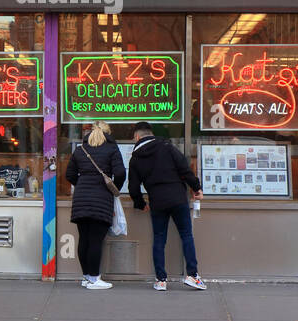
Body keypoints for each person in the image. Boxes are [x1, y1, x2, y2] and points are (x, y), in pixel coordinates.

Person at [128, 121, 206, 291]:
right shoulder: (167, 147)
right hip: (178, 197)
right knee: (186, 235)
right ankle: (192, 275)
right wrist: (196, 188)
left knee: (159, 238)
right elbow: (184, 170)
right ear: (151, 134)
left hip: (157, 201)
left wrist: (140, 203)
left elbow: (133, 187)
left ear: (137, 137)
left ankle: (161, 280)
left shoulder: (135, 158)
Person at [65, 122, 125, 290]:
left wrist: (82, 183)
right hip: (101, 198)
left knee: (84, 239)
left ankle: (86, 276)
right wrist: (114, 188)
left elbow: (69, 174)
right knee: (96, 240)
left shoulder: (80, 149)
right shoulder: (112, 149)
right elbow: (120, 173)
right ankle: (94, 278)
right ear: (108, 133)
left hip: (81, 198)